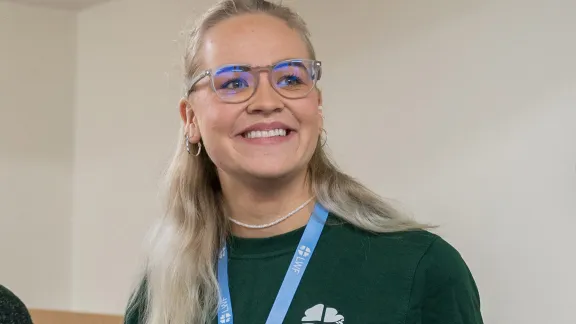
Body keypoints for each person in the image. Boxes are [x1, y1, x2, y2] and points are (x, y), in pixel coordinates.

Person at [124, 0, 484, 323]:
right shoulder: (160, 293)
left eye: (291, 78)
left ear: (317, 105)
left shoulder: (420, 269)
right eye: (233, 82)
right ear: (190, 120)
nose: (266, 101)